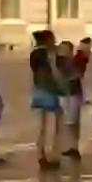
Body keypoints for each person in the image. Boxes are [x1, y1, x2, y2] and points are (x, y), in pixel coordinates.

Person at [29, 29, 63, 171]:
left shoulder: (34, 54)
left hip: (37, 90)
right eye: (52, 38)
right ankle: (53, 155)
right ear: (47, 39)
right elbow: (54, 71)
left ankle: (40, 154)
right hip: (49, 90)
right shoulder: (49, 53)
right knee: (55, 123)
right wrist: (61, 85)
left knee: (41, 126)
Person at [56, 40, 85, 162]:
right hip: (63, 94)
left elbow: (77, 75)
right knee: (67, 122)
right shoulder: (58, 62)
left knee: (72, 122)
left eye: (65, 49)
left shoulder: (73, 62)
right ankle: (69, 146)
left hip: (72, 94)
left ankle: (73, 146)